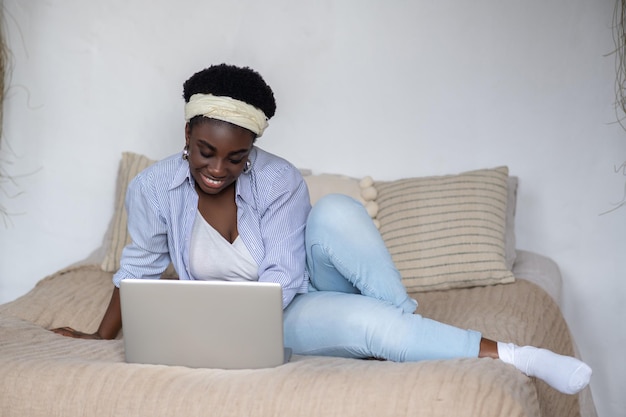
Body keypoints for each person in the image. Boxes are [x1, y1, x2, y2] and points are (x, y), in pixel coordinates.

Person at [52, 63, 591, 395]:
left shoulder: (279, 179)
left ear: (252, 151)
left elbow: (285, 279)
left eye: (236, 158)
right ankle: (400, 335)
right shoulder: (151, 189)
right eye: (205, 152)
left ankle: (496, 350)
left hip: (289, 300)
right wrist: (101, 337)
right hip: (253, 326)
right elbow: (139, 267)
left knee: (335, 210)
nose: (218, 170)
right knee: (362, 323)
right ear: (186, 134)